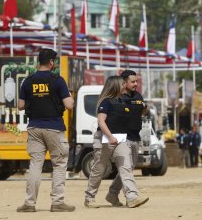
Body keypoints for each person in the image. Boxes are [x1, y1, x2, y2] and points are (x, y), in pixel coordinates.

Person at [16, 48, 75, 213]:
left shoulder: (27, 81)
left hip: (34, 127)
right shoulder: (57, 80)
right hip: (54, 127)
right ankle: (57, 202)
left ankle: (29, 203)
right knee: (59, 163)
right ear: (51, 62)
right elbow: (69, 105)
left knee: (35, 165)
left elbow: (20, 105)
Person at [84, 75, 149, 208]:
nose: (124, 86)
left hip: (121, 139)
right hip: (104, 138)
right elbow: (101, 122)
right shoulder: (106, 102)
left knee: (126, 167)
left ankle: (131, 197)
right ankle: (89, 197)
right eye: (122, 84)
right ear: (115, 86)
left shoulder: (122, 101)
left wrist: (143, 106)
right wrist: (110, 137)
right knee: (99, 169)